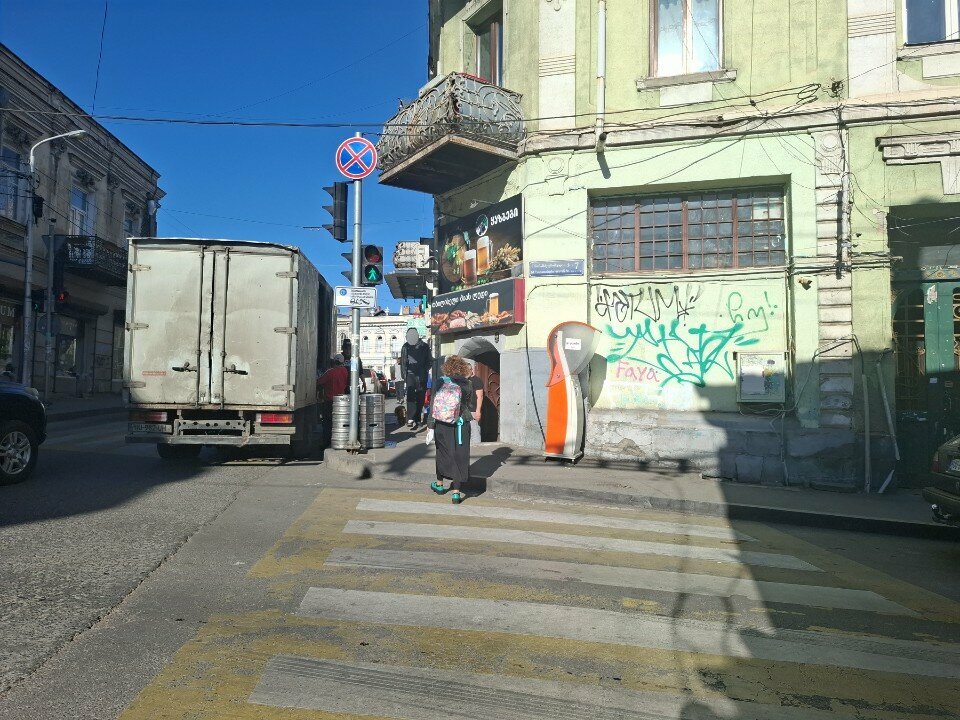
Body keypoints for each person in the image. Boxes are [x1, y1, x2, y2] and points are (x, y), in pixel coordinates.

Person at [427, 355, 478, 505]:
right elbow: (471, 405)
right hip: (461, 424)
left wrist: (430, 425)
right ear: (462, 368)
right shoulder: (468, 384)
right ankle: (456, 493)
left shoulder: (440, 382)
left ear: (447, 368)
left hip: (442, 423)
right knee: (459, 455)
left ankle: (440, 485)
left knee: (442, 452)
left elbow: (432, 405)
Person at [399, 327, 432, 430]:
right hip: (410, 374)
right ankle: (410, 418)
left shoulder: (425, 346)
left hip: (421, 375)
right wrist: (404, 376)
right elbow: (403, 362)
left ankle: (418, 419)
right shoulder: (405, 346)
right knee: (410, 395)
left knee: (420, 398)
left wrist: (424, 370)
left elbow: (429, 361)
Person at [317, 354, 349, 448]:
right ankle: (339, 440)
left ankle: (326, 442)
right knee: (339, 423)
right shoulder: (345, 371)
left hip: (330, 401)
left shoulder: (330, 372)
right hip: (341, 402)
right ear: (342, 362)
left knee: (327, 423)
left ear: (334, 362)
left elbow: (319, 382)